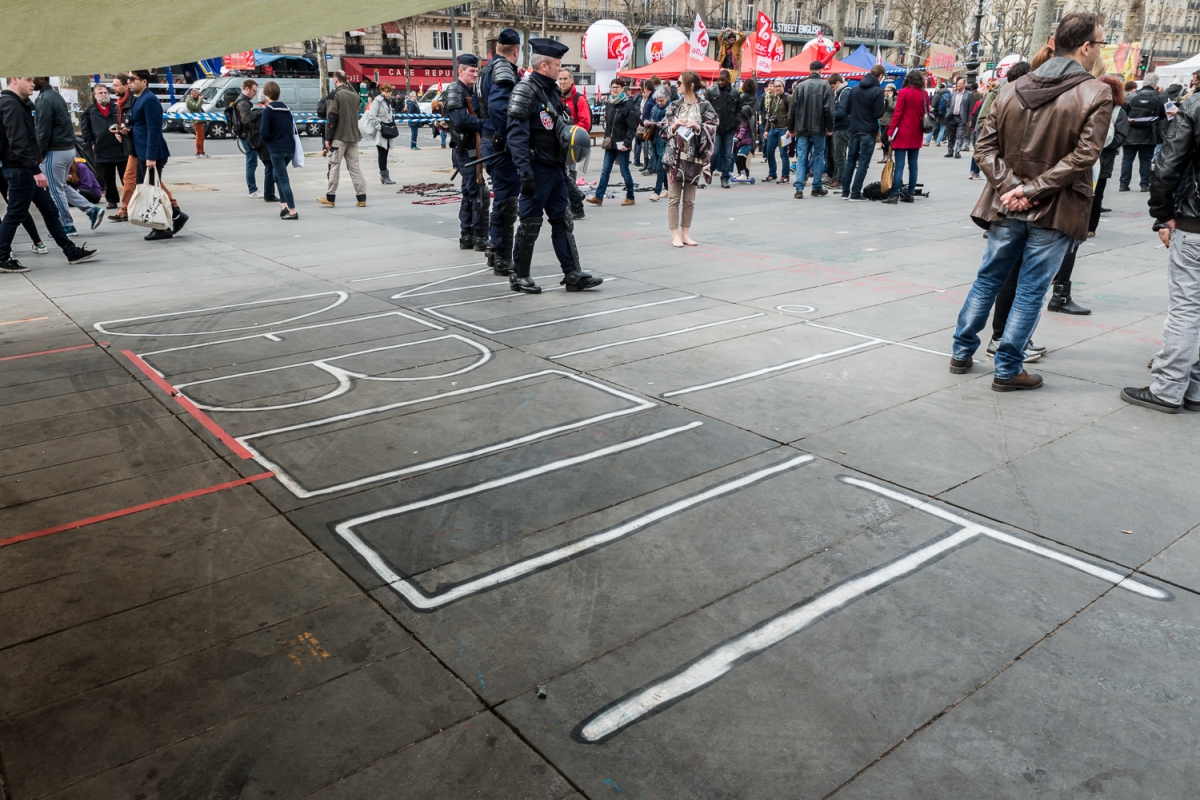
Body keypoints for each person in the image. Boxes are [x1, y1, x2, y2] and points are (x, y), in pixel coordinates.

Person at [950, 13, 1111, 392]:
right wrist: (1029, 189)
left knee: (988, 278)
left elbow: (984, 147)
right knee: (1029, 289)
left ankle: (961, 352)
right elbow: (1085, 157)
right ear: (1086, 47)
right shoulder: (1095, 92)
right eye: (1100, 43)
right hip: (1053, 207)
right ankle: (1007, 368)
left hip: (1007, 203)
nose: (1098, 50)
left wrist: (1013, 188)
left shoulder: (1011, 87)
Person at [1127, 73, 1200, 412]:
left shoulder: (1195, 104)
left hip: (1196, 223)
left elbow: (1168, 163)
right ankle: (1195, 387)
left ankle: (1169, 387)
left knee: (1186, 306)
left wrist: (1163, 212)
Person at [506, 37, 602, 294]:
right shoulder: (525, 91)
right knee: (530, 223)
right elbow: (516, 137)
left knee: (563, 220)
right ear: (545, 65)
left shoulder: (551, 92)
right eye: (558, 66)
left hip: (556, 168)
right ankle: (520, 275)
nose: (561, 71)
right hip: (536, 169)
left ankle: (573, 273)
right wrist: (524, 173)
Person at [0, 76, 97, 272]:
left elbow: (27, 137)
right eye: (28, 80)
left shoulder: (19, 104)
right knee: (16, 213)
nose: (33, 84)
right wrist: (35, 170)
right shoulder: (10, 105)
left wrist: (36, 158)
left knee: (50, 210)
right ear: (15, 80)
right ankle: (1, 257)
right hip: (21, 169)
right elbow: (18, 141)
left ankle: (71, 252)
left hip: (24, 167)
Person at [33, 78, 102, 235]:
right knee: (61, 186)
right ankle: (92, 210)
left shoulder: (45, 99)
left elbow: (43, 130)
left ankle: (66, 225)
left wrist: (40, 153)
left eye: (33, 79)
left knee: (55, 189)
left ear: (41, 79)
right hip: (67, 149)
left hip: (55, 150)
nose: (31, 82)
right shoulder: (55, 96)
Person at [478, 30, 521, 274]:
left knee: (502, 200)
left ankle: (497, 252)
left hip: (491, 141)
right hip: (499, 145)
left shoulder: (487, 68)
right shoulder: (503, 69)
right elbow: (499, 107)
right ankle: (503, 256)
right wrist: (510, 138)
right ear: (516, 50)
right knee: (506, 202)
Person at [128, 69, 188, 240]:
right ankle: (176, 215)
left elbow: (154, 130)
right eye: (128, 79)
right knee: (147, 187)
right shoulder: (139, 99)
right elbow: (139, 125)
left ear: (144, 81)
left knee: (151, 191)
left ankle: (162, 227)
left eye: (133, 79)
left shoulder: (150, 100)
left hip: (152, 153)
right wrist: (126, 130)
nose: (129, 82)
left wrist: (151, 156)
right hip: (142, 152)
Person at [663, 70, 717, 248]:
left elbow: (714, 125)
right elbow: (664, 129)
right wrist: (674, 126)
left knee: (689, 199)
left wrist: (698, 126)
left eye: (679, 83)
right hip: (675, 156)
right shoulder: (674, 105)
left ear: (690, 85)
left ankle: (685, 233)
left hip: (695, 157)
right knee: (673, 197)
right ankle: (674, 234)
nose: (676, 86)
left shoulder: (704, 105)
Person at [444, 54, 486, 249]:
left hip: (473, 147)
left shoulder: (471, 90)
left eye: (476, 71)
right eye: (471, 71)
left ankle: (470, 235)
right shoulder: (455, 90)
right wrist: (482, 123)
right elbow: (460, 119)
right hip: (464, 149)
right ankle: (473, 234)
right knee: (476, 192)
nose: (475, 74)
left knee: (473, 191)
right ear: (460, 71)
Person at [1085, 74, 1128, 237]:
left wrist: (1100, 143)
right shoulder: (1090, 105)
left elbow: (1120, 136)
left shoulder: (1118, 111)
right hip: (1085, 156)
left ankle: (1090, 226)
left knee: (1096, 193)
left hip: (1103, 159)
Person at [588, 77, 639, 207]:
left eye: (617, 87)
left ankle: (630, 196)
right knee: (605, 170)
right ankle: (599, 197)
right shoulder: (610, 103)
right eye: (613, 87)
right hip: (611, 143)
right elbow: (609, 124)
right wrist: (606, 137)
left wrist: (627, 143)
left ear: (622, 88)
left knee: (624, 171)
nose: (614, 89)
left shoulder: (628, 104)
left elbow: (632, 127)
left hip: (622, 143)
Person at [319, 70, 367, 209]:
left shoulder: (335, 95)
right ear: (346, 80)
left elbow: (332, 117)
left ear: (335, 80)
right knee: (355, 167)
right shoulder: (354, 95)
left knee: (334, 166)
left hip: (339, 137)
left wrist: (328, 138)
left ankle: (330, 197)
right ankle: (361, 197)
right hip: (353, 136)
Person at [789, 61, 835, 199]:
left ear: (810, 70)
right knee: (819, 155)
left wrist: (791, 127)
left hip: (802, 127)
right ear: (820, 71)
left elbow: (793, 109)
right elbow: (829, 109)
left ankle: (799, 187)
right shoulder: (825, 85)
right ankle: (816, 186)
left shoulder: (800, 86)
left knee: (802, 156)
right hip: (819, 126)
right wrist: (830, 126)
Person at [842, 65, 885, 201]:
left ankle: (845, 192)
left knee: (850, 162)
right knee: (863, 163)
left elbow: (846, 109)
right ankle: (855, 193)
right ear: (880, 76)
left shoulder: (854, 89)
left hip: (854, 129)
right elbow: (879, 113)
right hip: (868, 130)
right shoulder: (878, 91)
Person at [884, 70, 928, 204]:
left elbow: (897, 114)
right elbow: (927, 112)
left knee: (900, 165)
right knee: (913, 165)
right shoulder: (925, 94)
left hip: (902, 132)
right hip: (917, 132)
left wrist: (891, 132)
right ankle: (910, 194)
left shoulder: (903, 93)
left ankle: (894, 194)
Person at [79, 84, 124, 209]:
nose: (103, 95)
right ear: (94, 96)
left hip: (120, 148)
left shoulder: (117, 108)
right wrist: (92, 143)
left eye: (105, 92)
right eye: (100, 93)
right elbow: (85, 130)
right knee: (107, 178)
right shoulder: (89, 111)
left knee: (126, 177)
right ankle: (112, 200)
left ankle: (130, 199)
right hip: (101, 149)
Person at [259, 81, 299, 220]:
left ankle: (292, 211)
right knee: (277, 176)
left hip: (276, 149)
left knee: (282, 179)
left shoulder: (268, 110)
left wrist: (270, 139)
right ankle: (283, 207)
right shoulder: (287, 108)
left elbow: (264, 132)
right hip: (289, 148)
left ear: (266, 94)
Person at [1120, 72, 1166, 192]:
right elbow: (1162, 115)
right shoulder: (1159, 97)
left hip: (1131, 132)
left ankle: (1123, 185)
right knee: (1146, 159)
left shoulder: (1132, 96)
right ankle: (1144, 184)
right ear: (1155, 84)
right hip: (1149, 133)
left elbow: (1123, 112)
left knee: (1127, 159)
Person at [558, 68, 591, 220]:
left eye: (565, 79)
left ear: (572, 80)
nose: (563, 82)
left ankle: (575, 205)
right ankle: (576, 198)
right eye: (560, 79)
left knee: (570, 177)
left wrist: (571, 134)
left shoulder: (579, 99)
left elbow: (586, 123)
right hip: (561, 144)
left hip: (573, 145)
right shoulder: (557, 97)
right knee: (564, 177)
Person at [233, 80, 267, 198]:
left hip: (245, 135)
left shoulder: (243, 101)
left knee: (252, 161)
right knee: (251, 162)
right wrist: (259, 113)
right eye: (253, 91)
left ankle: (253, 189)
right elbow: (246, 120)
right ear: (247, 89)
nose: (255, 94)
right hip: (246, 136)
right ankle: (252, 190)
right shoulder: (243, 103)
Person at [707, 70, 739, 188]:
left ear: (728, 79)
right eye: (719, 80)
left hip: (729, 128)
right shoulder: (711, 92)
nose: (720, 82)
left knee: (727, 154)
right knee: (714, 153)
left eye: (723, 80)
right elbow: (705, 108)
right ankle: (709, 171)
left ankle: (725, 177)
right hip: (716, 127)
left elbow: (739, 109)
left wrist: (736, 122)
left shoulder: (735, 93)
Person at [364, 83, 396, 185]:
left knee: (385, 153)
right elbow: (372, 116)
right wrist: (379, 127)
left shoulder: (388, 101)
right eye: (386, 91)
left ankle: (386, 176)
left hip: (388, 129)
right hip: (381, 131)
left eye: (390, 91)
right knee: (382, 153)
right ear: (382, 91)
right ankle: (383, 175)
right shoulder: (377, 101)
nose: (388, 93)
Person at [760, 80, 790, 184]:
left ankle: (785, 175)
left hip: (784, 130)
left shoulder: (788, 98)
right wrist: (766, 130)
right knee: (769, 153)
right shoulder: (773, 99)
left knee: (783, 153)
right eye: (776, 86)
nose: (777, 88)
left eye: (779, 86)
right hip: (773, 129)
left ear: (783, 87)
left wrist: (790, 129)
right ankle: (772, 173)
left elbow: (792, 115)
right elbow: (770, 115)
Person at [828, 74, 849, 189]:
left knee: (839, 155)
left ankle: (840, 179)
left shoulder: (845, 93)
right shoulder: (839, 93)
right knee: (835, 155)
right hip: (837, 128)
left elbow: (842, 112)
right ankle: (836, 176)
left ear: (837, 83)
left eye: (832, 87)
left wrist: (829, 115)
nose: (832, 89)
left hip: (841, 128)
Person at [648, 89, 669, 200]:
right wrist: (649, 122)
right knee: (660, 165)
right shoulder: (654, 109)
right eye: (658, 100)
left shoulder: (670, 109)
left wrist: (664, 125)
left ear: (667, 98)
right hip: (654, 139)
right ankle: (667, 188)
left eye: (662, 100)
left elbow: (672, 124)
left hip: (665, 141)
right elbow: (652, 119)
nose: (659, 102)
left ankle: (657, 192)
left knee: (660, 166)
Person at [943, 78, 970, 158]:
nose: (958, 85)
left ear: (964, 85)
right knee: (951, 135)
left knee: (960, 135)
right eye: (958, 83)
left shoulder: (969, 94)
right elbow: (948, 105)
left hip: (961, 118)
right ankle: (950, 151)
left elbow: (970, 108)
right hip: (951, 117)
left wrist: (969, 119)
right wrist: (947, 113)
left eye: (960, 83)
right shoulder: (953, 94)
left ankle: (957, 151)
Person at [185, 88, 207, 158]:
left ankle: (202, 152)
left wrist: (200, 100)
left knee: (202, 137)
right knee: (199, 137)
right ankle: (198, 152)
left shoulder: (194, 99)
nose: (198, 96)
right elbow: (196, 107)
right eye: (197, 94)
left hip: (200, 119)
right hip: (196, 120)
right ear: (193, 94)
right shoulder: (189, 100)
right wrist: (200, 100)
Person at [733, 105, 754, 179]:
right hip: (742, 145)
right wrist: (734, 137)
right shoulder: (739, 125)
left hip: (745, 145)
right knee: (740, 160)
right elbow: (737, 133)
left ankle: (743, 174)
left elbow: (741, 133)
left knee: (739, 160)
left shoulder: (743, 125)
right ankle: (741, 173)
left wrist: (737, 138)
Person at [928, 81, 950, 146]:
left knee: (933, 127)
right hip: (945, 113)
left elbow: (933, 104)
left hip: (937, 113)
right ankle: (938, 142)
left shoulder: (937, 94)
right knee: (942, 128)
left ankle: (927, 140)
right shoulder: (949, 94)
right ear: (945, 87)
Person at [879, 84, 896, 161]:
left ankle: (889, 155)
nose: (886, 92)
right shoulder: (883, 98)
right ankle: (885, 156)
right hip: (882, 121)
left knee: (884, 139)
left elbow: (893, 107)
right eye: (886, 91)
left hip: (889, 122)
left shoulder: (895, 98)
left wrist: (890, 98)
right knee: (883, 141)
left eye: (889, 91)